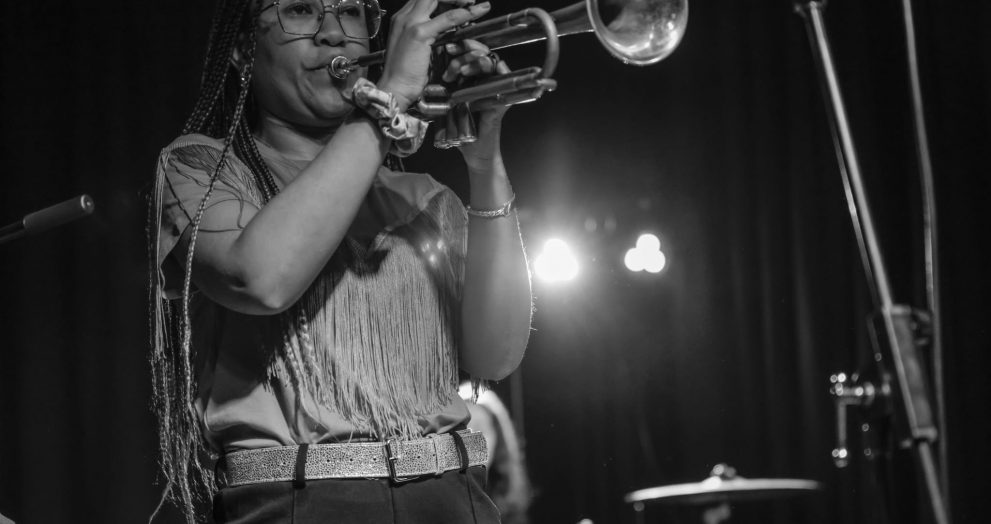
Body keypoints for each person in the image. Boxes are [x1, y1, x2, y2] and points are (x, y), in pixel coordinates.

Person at [147, 0, 533, 522]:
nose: (333, 33)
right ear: (242, 48)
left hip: (454, 497)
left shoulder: (423, 196)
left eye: (350, 10)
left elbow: (495, 357)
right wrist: (387, 100)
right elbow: (261, 280)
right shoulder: (201, 168)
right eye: (301, 10)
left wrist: (485, 163)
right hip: (300, 503)